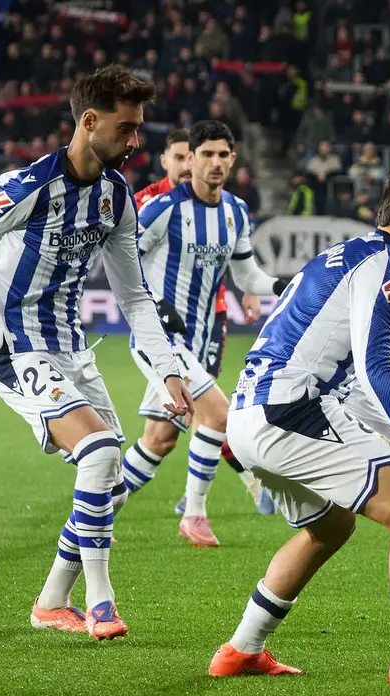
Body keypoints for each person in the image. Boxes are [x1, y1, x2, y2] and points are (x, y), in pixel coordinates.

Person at [0, 65, 194, 641]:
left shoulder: (115, 197)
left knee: (112, 486)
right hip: (18, 352)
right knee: (102, 454)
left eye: (139, 130)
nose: (135, 142)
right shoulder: (28, 186)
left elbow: (134, 296)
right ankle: (102, 602)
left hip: (72, 351)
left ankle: (52, 599)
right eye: (126, 129)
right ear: (89, 121)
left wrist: (169, 368)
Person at [208, 165, 390, 696]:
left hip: (251, 416)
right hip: (290, 413)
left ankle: (241, 650)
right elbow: (375, 367)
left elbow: (351, 380)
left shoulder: (344, 255)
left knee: (332, 527)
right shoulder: (387, 269)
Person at [124, 120, 288, 548]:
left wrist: (279, 286)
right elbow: (121, 259)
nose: (214, 162)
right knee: (217, 413)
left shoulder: (235, 211)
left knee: (158, 441)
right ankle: (194, 514)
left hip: (196, 340)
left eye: (222, 155)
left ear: (232, 160)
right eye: (206, 154)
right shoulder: (162, 208)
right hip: (157, 340)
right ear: (190, 158)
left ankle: (95, 510)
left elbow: (246, 272)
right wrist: (152, 303)